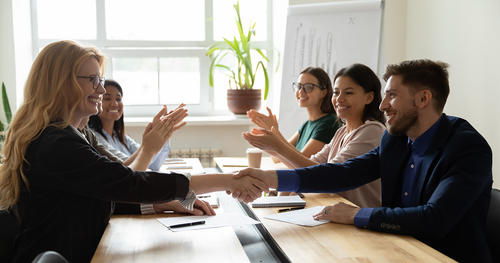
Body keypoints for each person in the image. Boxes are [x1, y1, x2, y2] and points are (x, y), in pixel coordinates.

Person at [0, 40, 266, 263]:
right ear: (60, 84)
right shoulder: (56, 143)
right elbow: (127, 183)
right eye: (92, 80)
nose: (101, 89)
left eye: (100, 79)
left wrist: (160, 203)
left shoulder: (76, 134)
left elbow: (100, 193)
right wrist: (227, 181)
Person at [236, 59, 493, 262]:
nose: (382, 106)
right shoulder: (395, 141)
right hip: (396, 248)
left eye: (392, 95)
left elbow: (434, 219)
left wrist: (357, 215)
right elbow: (342, 173)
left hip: (442, 257)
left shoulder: (467, 148)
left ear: (423, 99)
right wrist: (270, 178)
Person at [243, 64, 385, 207]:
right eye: (336, 93)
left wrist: (277, 146)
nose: (339, 99)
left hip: (360, 217)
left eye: (348, 93)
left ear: (369, 97)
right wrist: (273, 147)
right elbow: (311, 166)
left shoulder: (372, 131)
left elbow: (327, 176)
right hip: (338, 210)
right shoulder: (341, 132)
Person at [79, 116, 215, 216]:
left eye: (118, 98)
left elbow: (124, 169)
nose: (101, 90)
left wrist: (152, 143)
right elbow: (123, 182)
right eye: (108, 98)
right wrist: (148, 148)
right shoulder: (77, 139)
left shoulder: (108, 135)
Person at [247, 67, 339, 159]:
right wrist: (271, 130)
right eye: (299, 86)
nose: (301, 92)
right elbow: (277, 158)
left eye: (308, 87)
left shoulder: (329, 123)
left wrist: (274, 130)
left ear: (323, 92)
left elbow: (302, 161)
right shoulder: (306, 125)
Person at [88, 79, 172, 171]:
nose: (114, 103)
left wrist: (164, 132)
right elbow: (126, 166)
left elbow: (153, 164)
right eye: (107, 98)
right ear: (97, 102)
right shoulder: (95, 138)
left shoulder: (121, 137)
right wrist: (147, 145)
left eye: (118, 99)